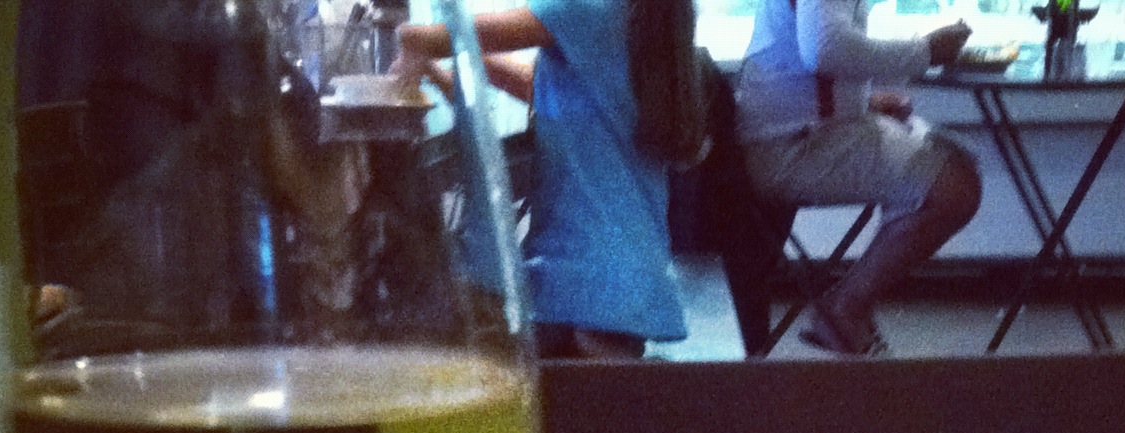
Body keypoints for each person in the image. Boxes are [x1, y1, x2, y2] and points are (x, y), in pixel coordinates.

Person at [394, 0, 705, 357]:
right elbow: (538, 85)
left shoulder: (585, 7)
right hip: (623, 283)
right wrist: (435, 69)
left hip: (584, 287)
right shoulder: (631, 12)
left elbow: (432, 37)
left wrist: (410, 35)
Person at [733, 0, 982, 356]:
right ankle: (845, 311)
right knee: (955, 185)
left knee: (950, 162)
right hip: (792, 146)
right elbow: (824, 49)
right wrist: (923, 51)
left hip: (792, 133)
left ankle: (846, 309)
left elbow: (806, 55)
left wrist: (859, 102)